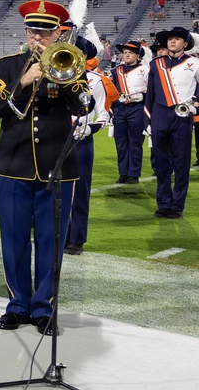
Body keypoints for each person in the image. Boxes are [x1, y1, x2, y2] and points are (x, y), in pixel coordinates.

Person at [0, 0, 93, 335]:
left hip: (57, 168)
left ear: (58, 33)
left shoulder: (71, 65)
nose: (38, 38)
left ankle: (44, 307)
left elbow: (84, 105)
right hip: (12, 165)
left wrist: (64, 77)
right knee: (13, 240)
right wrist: (25, 80)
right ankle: (18, 304)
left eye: (46, 32)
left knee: (51, 241)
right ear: (26, 32)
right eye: (33, 31)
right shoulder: (7, 65)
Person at [145, 27, 199, 219]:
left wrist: (194, 106)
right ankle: (164, 203)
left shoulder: (195, 63)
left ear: (185, 43)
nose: (172, 41)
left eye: (177, 39)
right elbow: (149, 94)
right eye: (170, 39)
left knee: (181, 163)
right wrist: (147, 120)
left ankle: (177, 206)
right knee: (161, 164)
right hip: (159, 114)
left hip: (182, 116)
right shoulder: (155, 64)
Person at [65, 38, 109, 255]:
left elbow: (103, 114)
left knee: (80, 191)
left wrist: (90, 129)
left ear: (84, 56)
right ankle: (57, 235)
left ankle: (76, 238)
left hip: (81, 138)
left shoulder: (96, 80)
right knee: (54, 190)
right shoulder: (52, 77)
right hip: (55, 139)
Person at [112, 40, 148, 184]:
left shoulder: (145, 70)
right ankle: (123, 172)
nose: (126, 55)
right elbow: (112, 92)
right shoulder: (116, 71)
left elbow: (152, 91)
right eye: (125, 52)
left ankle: (133, 174)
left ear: (137, 55)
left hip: (137, 108)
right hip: (120, 109)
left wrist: (143, 96)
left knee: (135, 141)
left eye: (130, 53)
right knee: (120, 142)